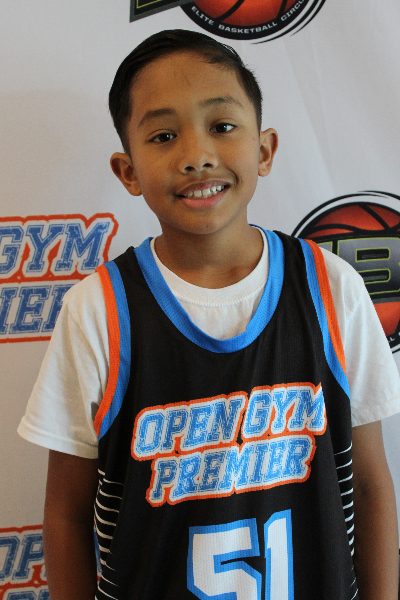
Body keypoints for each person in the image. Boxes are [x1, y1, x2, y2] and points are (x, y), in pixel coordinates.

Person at [18, 29, 400, 600]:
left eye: (221, 126)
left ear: (264, 150)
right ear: (127, 171)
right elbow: (67, 513)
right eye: (164, 135)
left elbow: (369, 487)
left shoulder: (331, 288)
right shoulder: (98, 310)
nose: (196, 156)